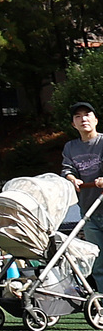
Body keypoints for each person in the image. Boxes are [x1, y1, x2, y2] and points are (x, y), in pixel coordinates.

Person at [63, 103, 103, 291]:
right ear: (73, 124)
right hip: (88, 212)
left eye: (87, 115)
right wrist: (72, 179)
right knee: (98, 261)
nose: (83, 119)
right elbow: (67, 169)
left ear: (95, 120)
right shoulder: (70, 147)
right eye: (78, 116)